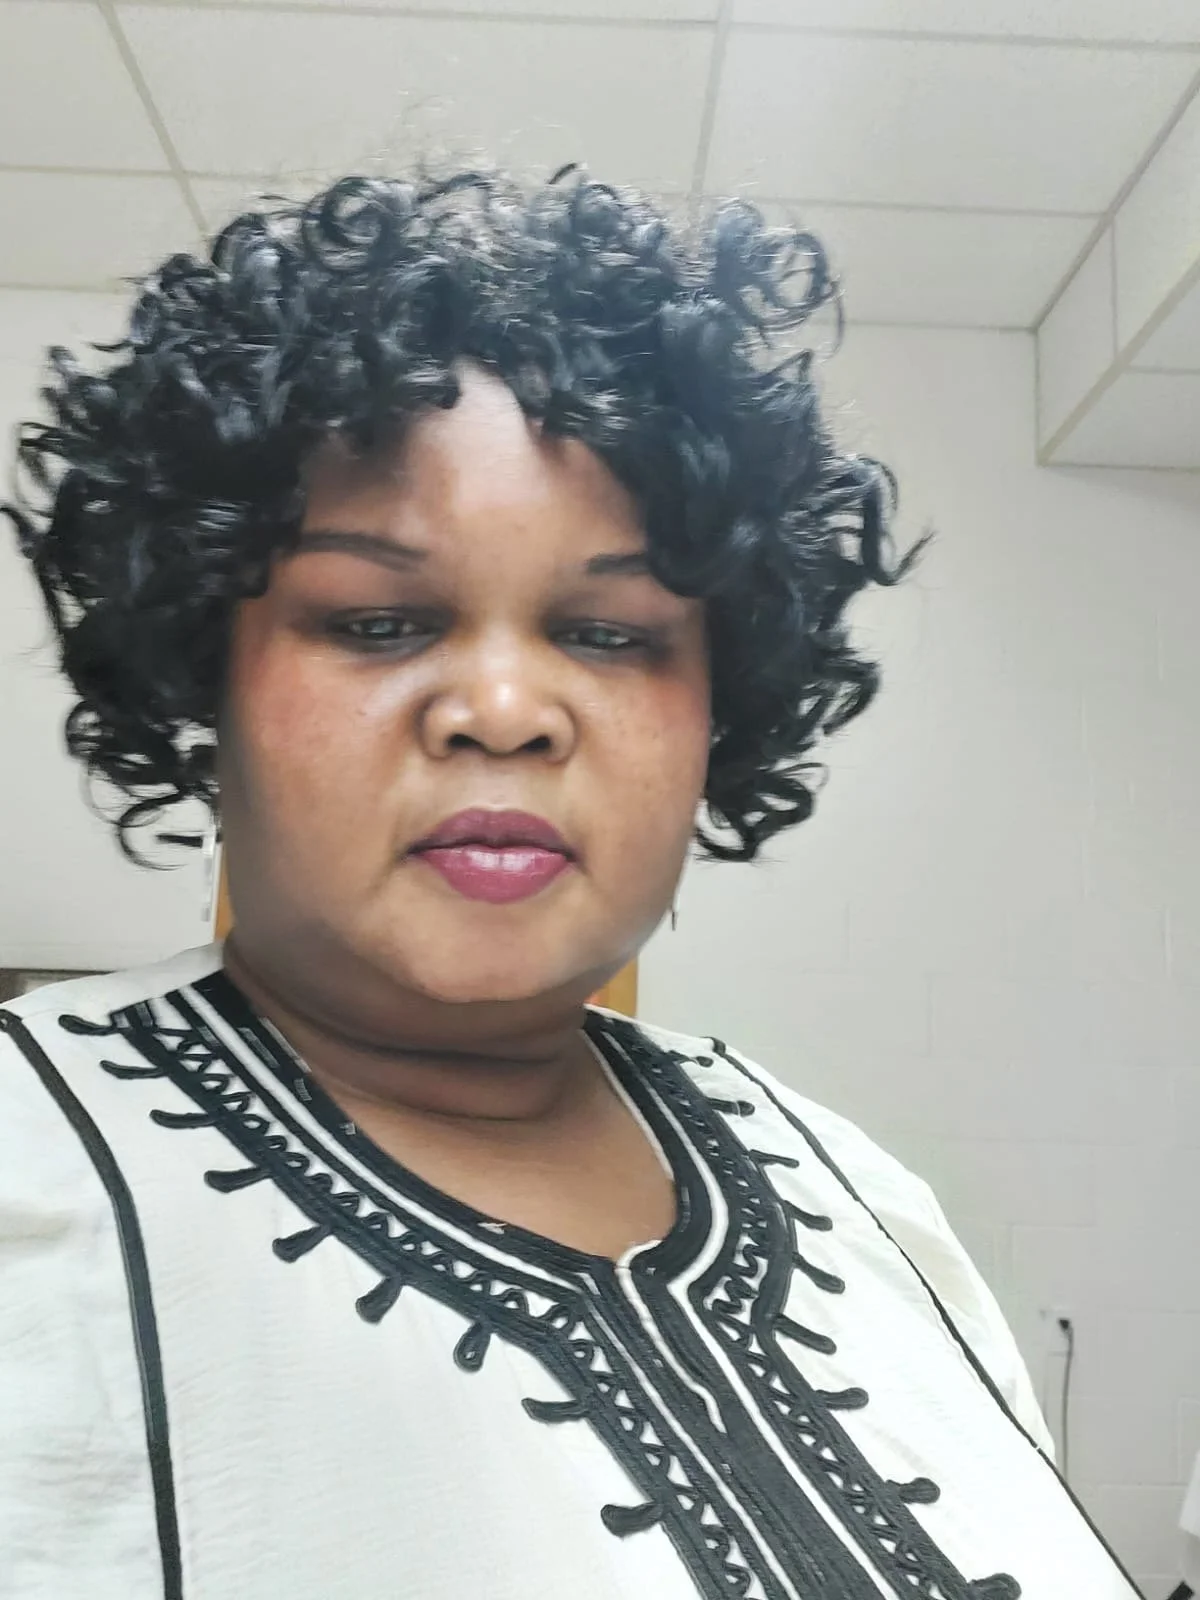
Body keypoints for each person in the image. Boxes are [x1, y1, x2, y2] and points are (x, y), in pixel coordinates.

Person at [0, 169, 1139, 1600]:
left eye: (607, 635)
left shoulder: (859, 1192)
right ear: (200, 677)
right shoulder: (25, 1181)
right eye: (379, 619)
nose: (503, 709)